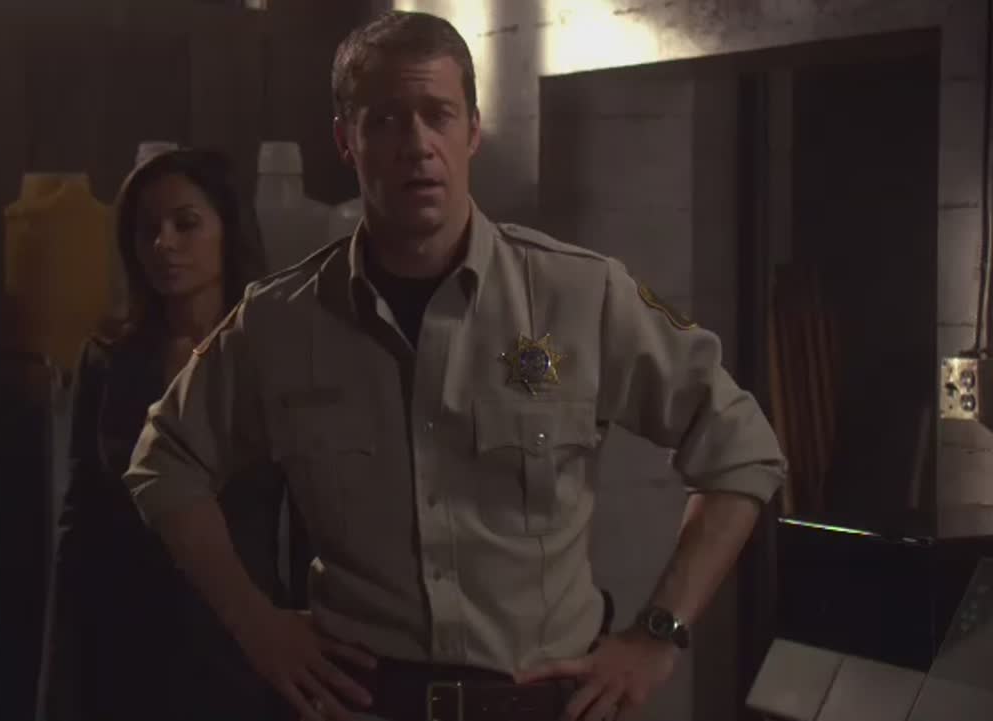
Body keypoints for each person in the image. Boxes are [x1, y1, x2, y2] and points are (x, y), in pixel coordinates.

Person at [124, 11, 787, 721]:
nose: (417, 145)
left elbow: (741, 448)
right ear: (345, 140)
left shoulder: (579, 295)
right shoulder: (281, 320)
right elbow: (165, 463)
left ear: (472, 130)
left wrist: (659, 633)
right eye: (385, 120)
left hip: (539, 707)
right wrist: (255, 625)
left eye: (437, 115)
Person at [37, 148, 294, 721]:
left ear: (227, 230)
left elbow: (311, 522)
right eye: (147, 229)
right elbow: (78, 527)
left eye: (186, 223)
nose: (164, 243)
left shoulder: (271, 357)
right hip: (125, 648)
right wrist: (59, 691)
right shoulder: (109, 360)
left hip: (241, 647)